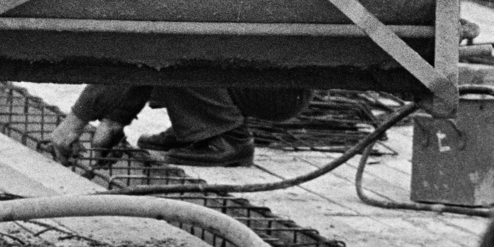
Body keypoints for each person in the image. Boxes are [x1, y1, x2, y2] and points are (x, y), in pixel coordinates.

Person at [47, 84, 312, 168]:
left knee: (174, 42)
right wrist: (114, 120)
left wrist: (76, 120)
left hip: (276, 88)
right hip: (277, 83)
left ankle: (227, 138)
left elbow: (145, 45)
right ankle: (197, 128)